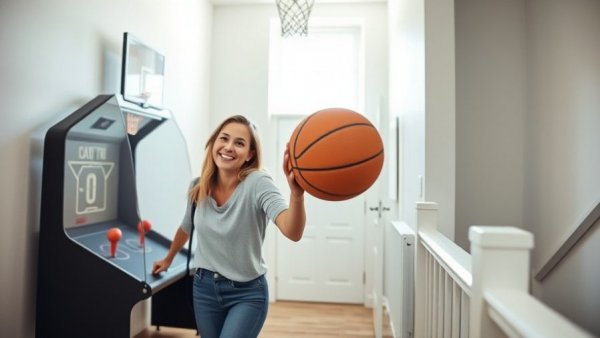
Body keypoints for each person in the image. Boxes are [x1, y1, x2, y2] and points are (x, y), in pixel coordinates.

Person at [152, 115, 306, 338]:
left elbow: (292, 231)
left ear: (249, 155)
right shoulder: (198, 186)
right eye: (224, 138)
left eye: (239, 143)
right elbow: (186, 227)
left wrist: (296, 194)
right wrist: (168, 259)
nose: (229, 147)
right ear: (214, 142)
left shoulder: (258, 183)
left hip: (247, 293)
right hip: (204, 289)